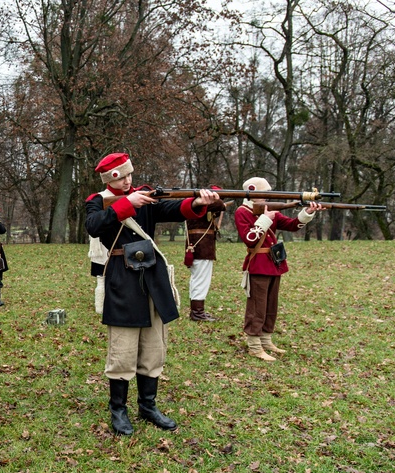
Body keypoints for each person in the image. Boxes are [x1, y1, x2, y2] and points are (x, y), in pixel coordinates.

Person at [85, 152, 220, 436]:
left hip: (152, 275)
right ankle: (118, 410)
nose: (128, 181)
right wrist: (125, 205)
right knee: (122, 350)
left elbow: (172, 209)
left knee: (154, 347)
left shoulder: (144, 196)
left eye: (129, 175)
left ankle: (148, 406)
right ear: (111, 178)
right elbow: (94, 225)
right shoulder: (97, 200)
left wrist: (197, 202)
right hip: (121, 278)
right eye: (122, 177)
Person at [234, 177, 326, 362]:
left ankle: (266, 340)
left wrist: (307, 212)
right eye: (265, 193)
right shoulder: (242, 211)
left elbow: (292, 225)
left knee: (270, 306)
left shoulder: (268, 209)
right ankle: (254, 345)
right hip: (258, 264)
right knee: (257, 307)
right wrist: (265, 219)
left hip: (273, 263)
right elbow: (250, 238)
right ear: (253, 191)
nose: (268, 197)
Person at [184, 187, 227, 322]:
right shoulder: (202, 203)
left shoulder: (201, 205)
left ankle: (197, 311)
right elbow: (219, 204)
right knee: (200, 280)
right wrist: (221, 203)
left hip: (201, 247)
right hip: (201, 247)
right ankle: (197, 313)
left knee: (198, 279)